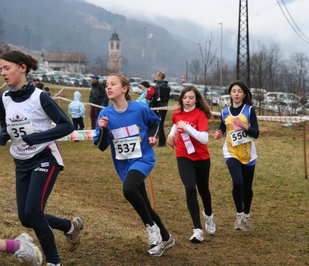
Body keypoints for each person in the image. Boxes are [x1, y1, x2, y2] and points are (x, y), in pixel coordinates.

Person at [0, 50, 84, 266]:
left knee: (34, 212)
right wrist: (3, 135)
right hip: (21, 162)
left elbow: (67, 125)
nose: (3, 73)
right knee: (25, 218)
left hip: (44, 158)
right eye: (1, 69)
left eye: (6, 68)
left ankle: (54, 262)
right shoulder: (4, 98)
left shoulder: (40, 96)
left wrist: (37, 137)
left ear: (22, 68)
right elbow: (6, 126)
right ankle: (69, 227)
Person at [93, 73, 175, 257]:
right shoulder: (105, 114)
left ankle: (150, 227)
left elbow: (156, 122)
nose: (108, 87)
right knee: (144, 202)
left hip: (143, 158)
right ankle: (166, 236)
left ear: (124, 88)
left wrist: (154, 136)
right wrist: (104, 129)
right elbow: (101, 146)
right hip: (123, 164)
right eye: (107, 84)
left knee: (129, 190)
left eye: (113, 84)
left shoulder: (139, 109)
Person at [166, 85, 216, 243]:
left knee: (204, 190)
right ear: (181, 99)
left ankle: (208, 215)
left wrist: (187, 127)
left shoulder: (200, 115)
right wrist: (171, 135)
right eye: (185, 98)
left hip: (201, 157)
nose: (187, 101)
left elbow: (204, 138)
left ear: (196, 99)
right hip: (183, 155)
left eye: (191, 98)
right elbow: (175, 123)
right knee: (189, 188)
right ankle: (197, 230)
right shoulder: (177, 113)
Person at [213, 81, 259, 231]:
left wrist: (245, 126)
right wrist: (219, 132)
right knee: (237, 182)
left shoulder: (249, 110)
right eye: (234, 91)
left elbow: (256, 133)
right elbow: (223, 125)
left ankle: (246, 215)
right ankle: (239, 215)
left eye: (240, 91)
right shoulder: (225, 111)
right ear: (230, 94)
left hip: (247, 153)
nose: (237, 94)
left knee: (247, 187)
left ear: (244, 94)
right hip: (231, 151)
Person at [151, 71, 170, 147]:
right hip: (165, 106)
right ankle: (161, 141)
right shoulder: (167, 86)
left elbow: (156, 97)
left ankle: (162, 142)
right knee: (161, 124)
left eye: (157, 76)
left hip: (158, 106)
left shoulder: (158, 86)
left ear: (159, 77)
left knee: (158, 124)